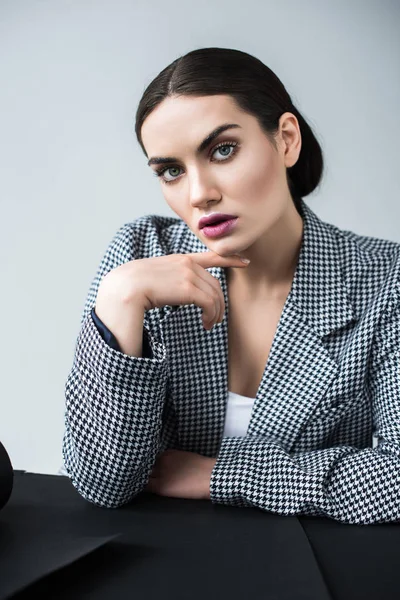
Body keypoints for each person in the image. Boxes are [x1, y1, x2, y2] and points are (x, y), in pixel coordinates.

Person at [62, 47, 400, 525]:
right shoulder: (140, 253)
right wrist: (119, 300)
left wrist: (223, 474)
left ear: (285, 140)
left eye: (222, 150)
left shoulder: (386, 280)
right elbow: (102, 482)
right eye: (171, 171)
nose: (199, 193)